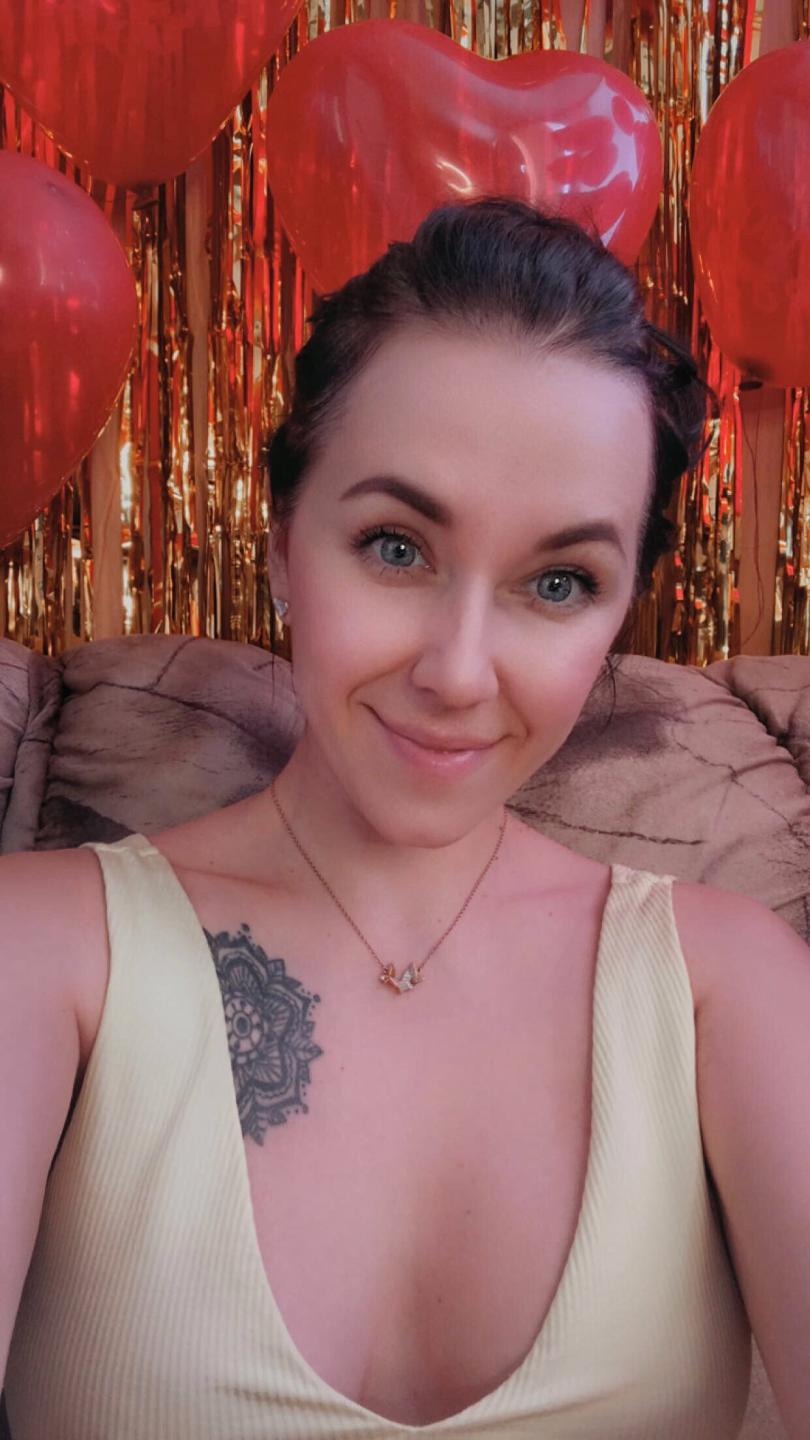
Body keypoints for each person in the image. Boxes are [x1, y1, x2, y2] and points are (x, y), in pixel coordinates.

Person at [1, 197, 808, 1440]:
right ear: (283, 544)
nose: (458, 671)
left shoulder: (730, 987)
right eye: (395, 547)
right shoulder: (42, 952)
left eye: (559, 582)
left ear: (619, 616)